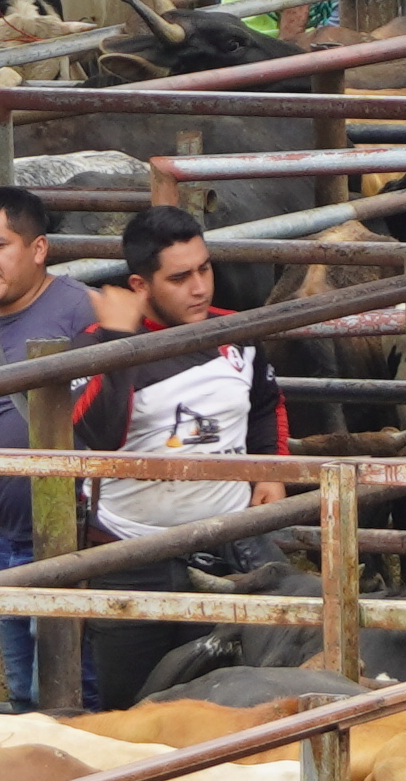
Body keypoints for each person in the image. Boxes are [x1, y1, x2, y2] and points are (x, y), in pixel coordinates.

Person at [0, 184, 102, 693]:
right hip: (9, 546)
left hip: (83, 545)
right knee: (26, 696)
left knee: (80, 695)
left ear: (38, 249)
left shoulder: (86, 313)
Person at [75, 205, 273, 572]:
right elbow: (101, 436)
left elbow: (265, 403)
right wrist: (119, 344)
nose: (200, 288)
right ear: (140, 285)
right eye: (180, 278)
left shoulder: (237, 333)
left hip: (231, 537)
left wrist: (271, 470)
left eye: (205, 268)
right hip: (128, 548)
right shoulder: (93, 346)